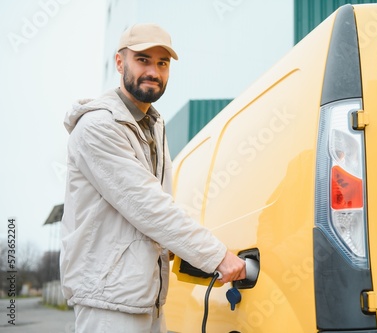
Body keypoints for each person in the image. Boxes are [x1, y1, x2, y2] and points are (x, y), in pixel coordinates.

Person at [59, 23, 246, 333]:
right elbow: (147, 205)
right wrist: (216, 255)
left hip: (147, 297)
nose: (154, 72)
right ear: (120, 63)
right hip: (109, 302)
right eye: (143, 59)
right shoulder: (98, 127)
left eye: (163, 63)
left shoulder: (152, 125)